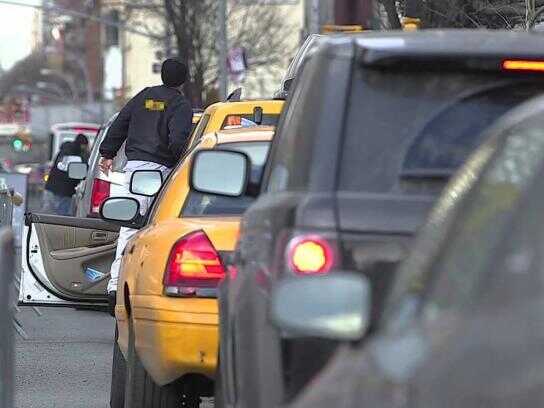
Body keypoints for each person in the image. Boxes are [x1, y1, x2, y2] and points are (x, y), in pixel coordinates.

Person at [99, 58, 193, 315]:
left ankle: (115, 285)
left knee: (129, 226)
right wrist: (178, 162)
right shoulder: (180, 104)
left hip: (134, 169)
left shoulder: (143, 97)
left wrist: (107, 153)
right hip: (159, 171)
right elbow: (178, 139)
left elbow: (120, 123)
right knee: (157, 228)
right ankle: (143, 286)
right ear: (183, 80)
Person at [43, 140, 85, 216]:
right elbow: (76, 175)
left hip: (51, 188)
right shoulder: (76, 157)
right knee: (62, 217)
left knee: (48, 216)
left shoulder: (61, 153)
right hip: (66, 191)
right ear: (82, 145)